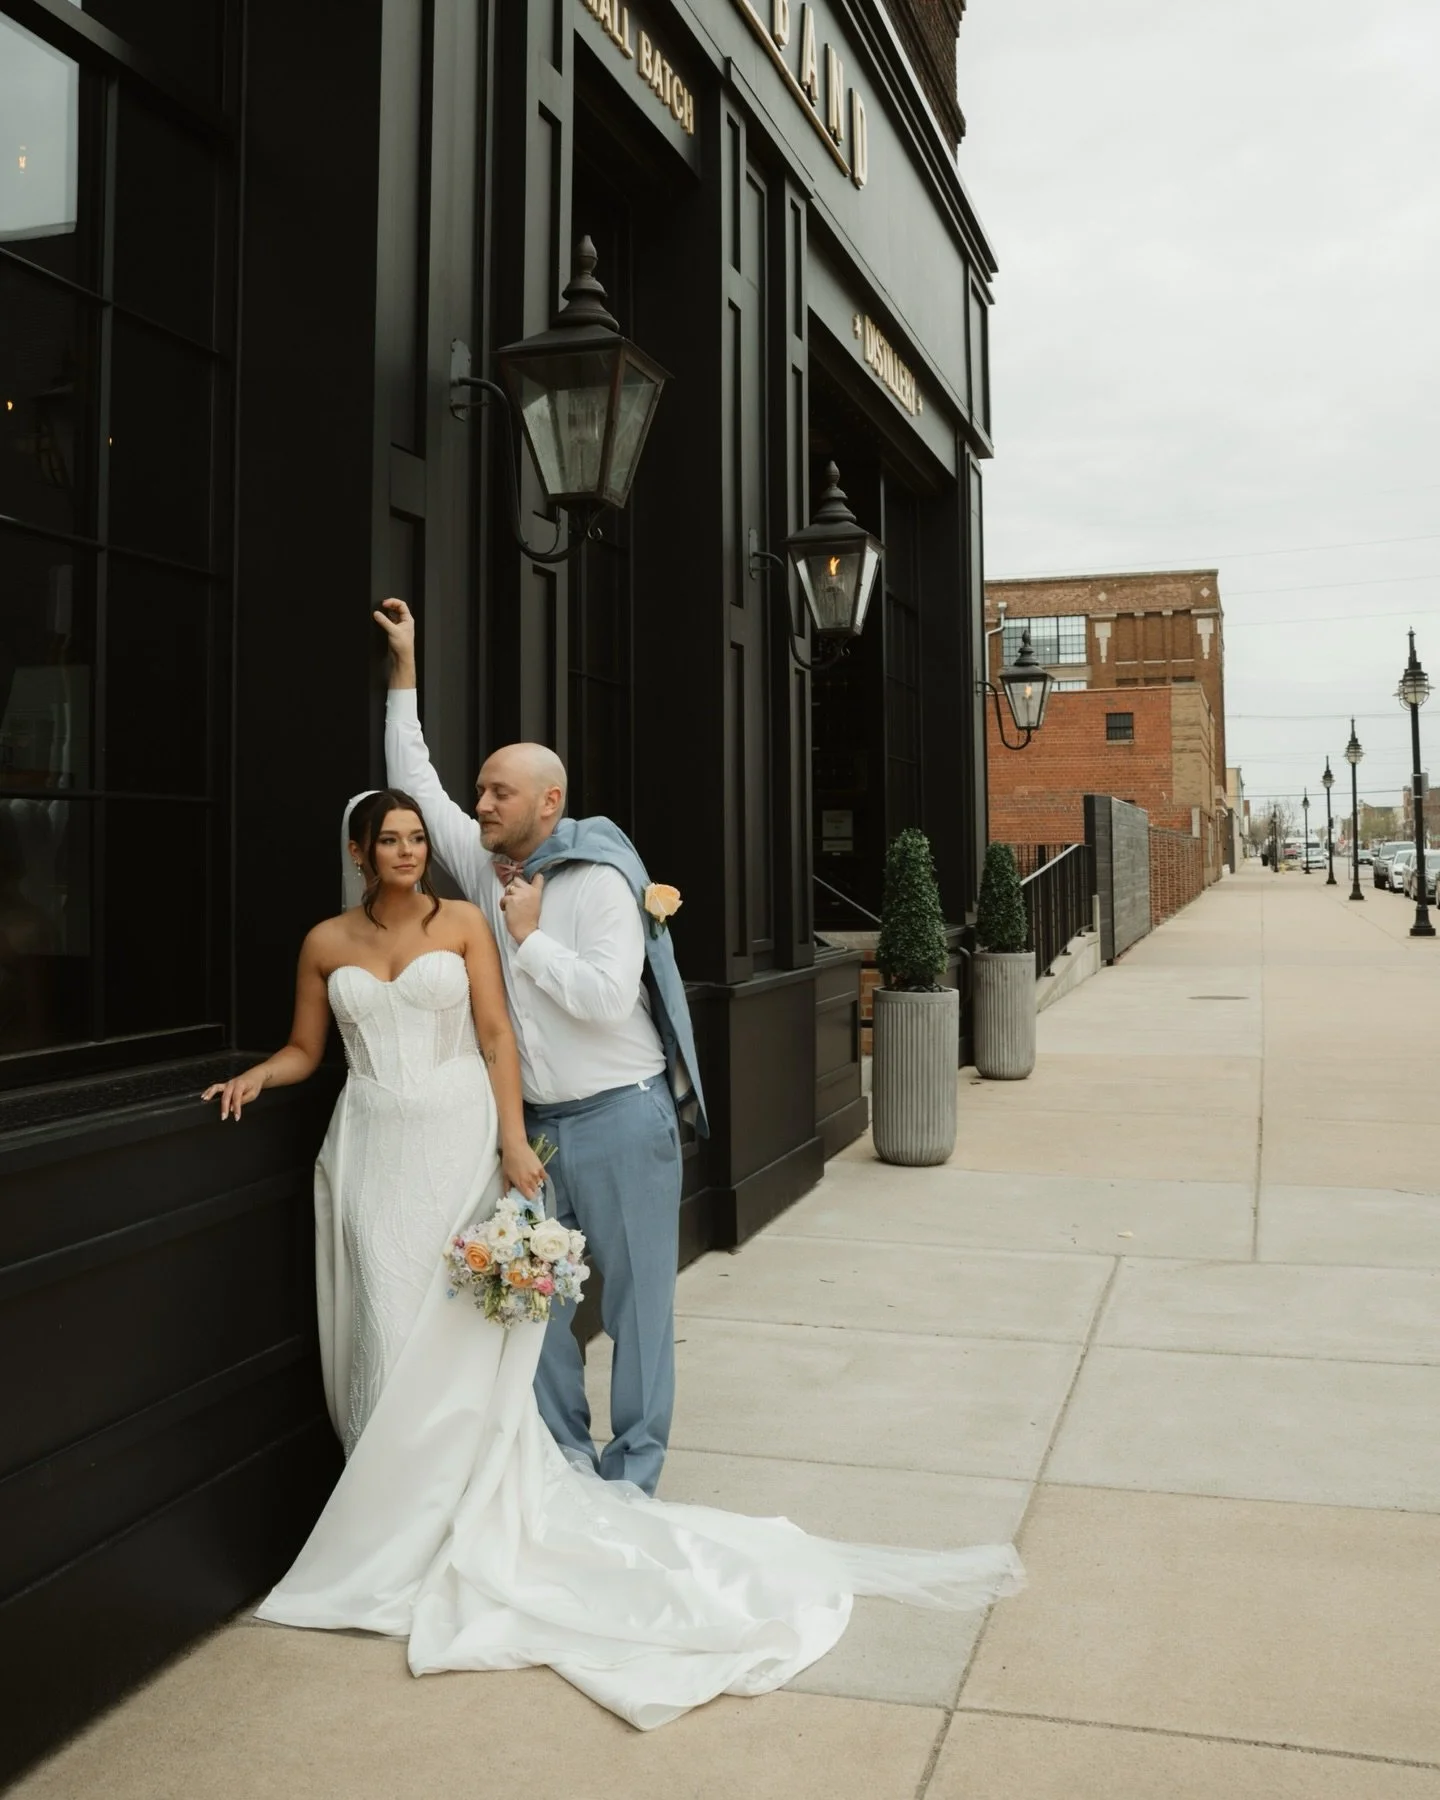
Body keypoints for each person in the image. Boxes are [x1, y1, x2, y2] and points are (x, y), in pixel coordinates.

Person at [205, 790, 1023, 1729]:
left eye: (418, 836)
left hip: (456, 1145)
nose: (407, 848)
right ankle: (394, 1528)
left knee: (462, 1331)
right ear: (358, 852)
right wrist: (256, 1075)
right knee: (385, 1335)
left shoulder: (471, 919)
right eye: (388, 838)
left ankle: (460, 1520)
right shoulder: (324, 942)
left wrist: (513, 1146)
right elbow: (310, 1050)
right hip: (371, 1157)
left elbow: (497, 1036)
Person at [376, 596, 697, 1497]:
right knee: (537, 1306)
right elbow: (416, 778)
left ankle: (634, 1478)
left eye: (498, 792)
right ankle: (564, 1465)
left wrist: (528, 940)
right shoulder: (482, 863)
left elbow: (603, 998)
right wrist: (405, 668)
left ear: (548, 802)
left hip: (624, 1121)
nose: (479, 803)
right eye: (480, 790)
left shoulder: (598, 876)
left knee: (638, 1310)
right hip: (532, 1132)